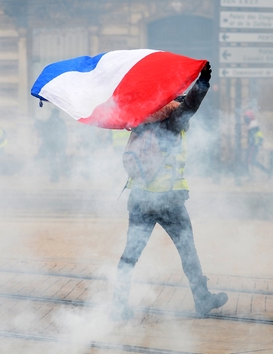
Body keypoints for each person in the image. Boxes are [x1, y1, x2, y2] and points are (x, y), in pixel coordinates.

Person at [112, 62, 228, 320]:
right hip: (168, 200)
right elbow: (190, 105)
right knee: (188, 251)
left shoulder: (141, 120)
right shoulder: (172, 121)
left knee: (130, 255)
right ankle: (202, 299)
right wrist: (203, 83)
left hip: (139, 199)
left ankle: (118, 306)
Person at [35, 107, 68, 182]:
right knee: (55, 160)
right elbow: (65, 135)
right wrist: (63, 146)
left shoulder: (50, 121)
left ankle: (56, 176)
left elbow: (44, 128)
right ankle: (57, 176)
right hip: (57, 145)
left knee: (52, 160)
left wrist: (37, 122)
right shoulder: (61, 122)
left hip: (51, 145)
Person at [243, 110, 271, 180]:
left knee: (249, 161)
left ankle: (251, 176)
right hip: (253, 146)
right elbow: (259, 135)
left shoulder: (253, 126)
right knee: (250, 161)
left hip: (253, 146)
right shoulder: (253, 126)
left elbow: (259, 136)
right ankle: (266, 171)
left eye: (246, 118)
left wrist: (257, 144)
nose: (245, 120)